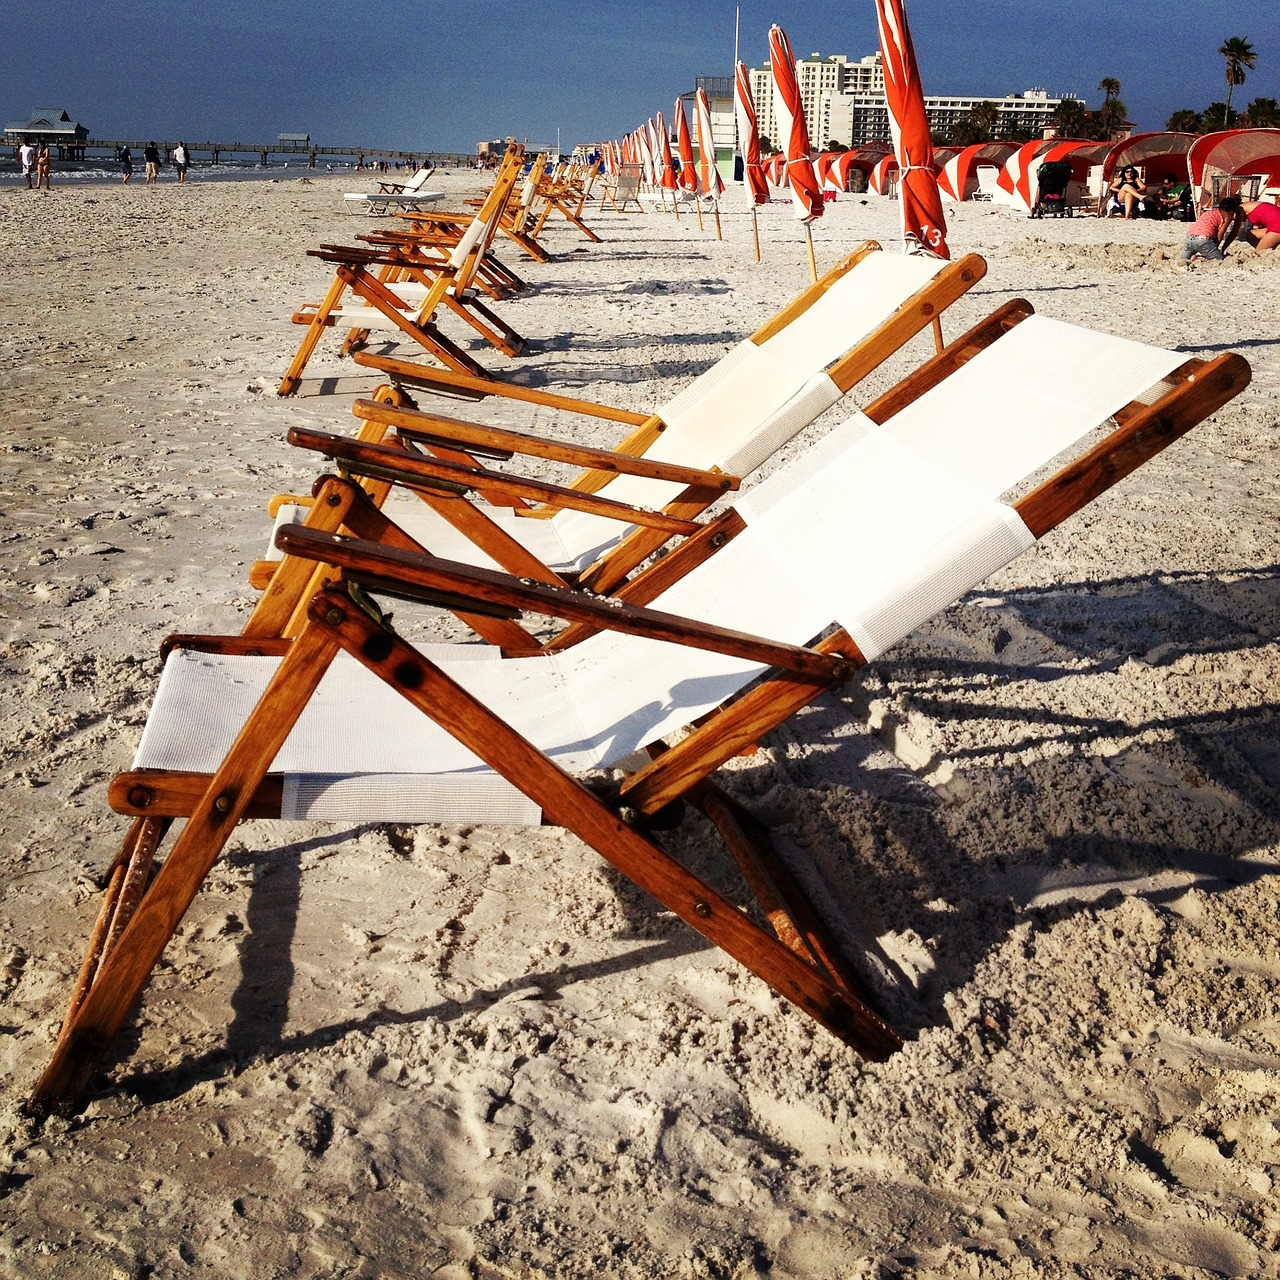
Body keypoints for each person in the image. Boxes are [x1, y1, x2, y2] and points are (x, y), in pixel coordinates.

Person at [1180, 195, 1244, 266]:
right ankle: (1198, 259)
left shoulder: (1211, 212)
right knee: (1219, 259)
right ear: (1231, 211)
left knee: (1183, 258)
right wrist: (1217, 248)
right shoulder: (1227, 216)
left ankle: (1191, 257)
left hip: (1189, 238)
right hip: (1203, 240)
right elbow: (1220, 234)